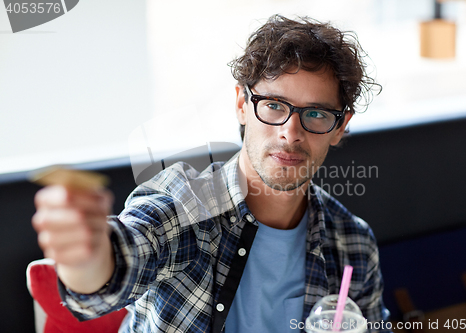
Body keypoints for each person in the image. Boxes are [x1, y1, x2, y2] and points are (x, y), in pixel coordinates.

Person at [32, 14, 390, 333]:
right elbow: (118, 265)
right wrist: (88, 257)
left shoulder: (352, 243)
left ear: (340, 127)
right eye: (274, 105)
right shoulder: (183, 204)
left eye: (315, 114)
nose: (290, 132)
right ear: (241, 105)